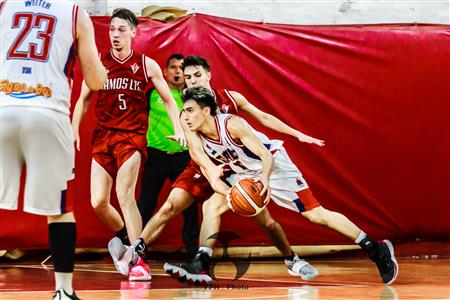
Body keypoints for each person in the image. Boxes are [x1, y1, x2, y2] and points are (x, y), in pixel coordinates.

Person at [108, 55, 325, 280]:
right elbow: (195, 149)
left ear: (208, 76)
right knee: (171, 206)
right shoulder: (187, 108)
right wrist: (210, 170)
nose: (192, 80)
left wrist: (296, 133)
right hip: (204, 164)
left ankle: (292, 259)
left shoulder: (229, 98)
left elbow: (263, 117)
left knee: (265, 221)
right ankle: (140, 255)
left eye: (197, 75)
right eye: (188, 77)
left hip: (235, 168)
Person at [165, 86, 399, 285]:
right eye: (183, 110)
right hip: (243, 172)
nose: (184, 116)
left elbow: (265, 157)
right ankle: (201, 263)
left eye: (189, 110)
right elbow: (212, 174)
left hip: (273, 166)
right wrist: (230, 192)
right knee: (210, 207)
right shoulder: (192, 131)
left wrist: (265, 179)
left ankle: (375, 248)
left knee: (316, 214)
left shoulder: (233, 125)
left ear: (206, 111)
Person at [0, 0, 107, 299]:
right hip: (48, 114)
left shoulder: (4, 7)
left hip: (3, 109)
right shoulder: (75, 13)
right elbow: (96, 80)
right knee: (60, 211)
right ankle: (63, 291)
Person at [71, 8, 185, 281]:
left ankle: (139, 261)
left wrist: (179, 128)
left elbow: (169, 100)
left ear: (134, 32)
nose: (115, 34)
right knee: (98, 202)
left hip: (132, 138)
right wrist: (73, 128)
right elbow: (84, 99)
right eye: (112, 29)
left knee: (124, 195)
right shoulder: (99, 62)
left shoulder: (147, 65)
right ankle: (125, 241)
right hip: (104, 137)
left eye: (122, 29)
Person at [138, 53, 199, 260]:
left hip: (183, 157)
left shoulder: (192, 97)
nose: (177, 71)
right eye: (173, 67)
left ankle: (192, 252)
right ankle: (137, 248)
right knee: (146, 204)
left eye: (181, 68)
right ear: (164, 72)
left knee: (188, 206)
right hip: (155, 157)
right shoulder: (152, 94)